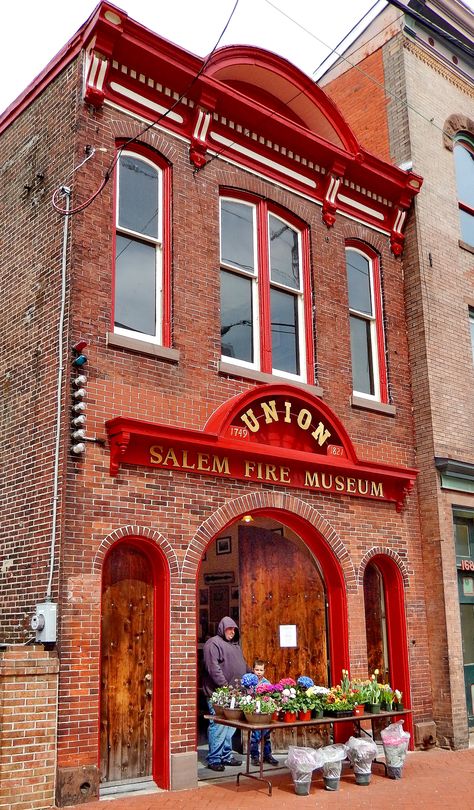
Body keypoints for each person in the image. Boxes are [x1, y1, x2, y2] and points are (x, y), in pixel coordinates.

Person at [203, 616, 249, 771]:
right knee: (218, 726)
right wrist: (225, 687)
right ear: (222, 628)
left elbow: (242, 664)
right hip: (220, 694)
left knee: (230, 727)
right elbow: (213, 668)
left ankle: (226, 756)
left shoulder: (235, 645)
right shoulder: (213, 643)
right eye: (229, 629)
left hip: (235, 694)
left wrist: (252, 675)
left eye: (234, 629)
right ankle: (214, 759)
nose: (232, 631)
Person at [250, 659, 279, 766]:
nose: (258, 672)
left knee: (266, 735)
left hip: (265, 712)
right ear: (253, 670)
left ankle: (268, 755)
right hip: (254, 713)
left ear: (264, 671)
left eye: (261, 670)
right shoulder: (250, 682)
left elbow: (270, 696)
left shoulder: (266, 683)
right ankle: (255, 756)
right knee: (256, 735)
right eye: (256, 670)